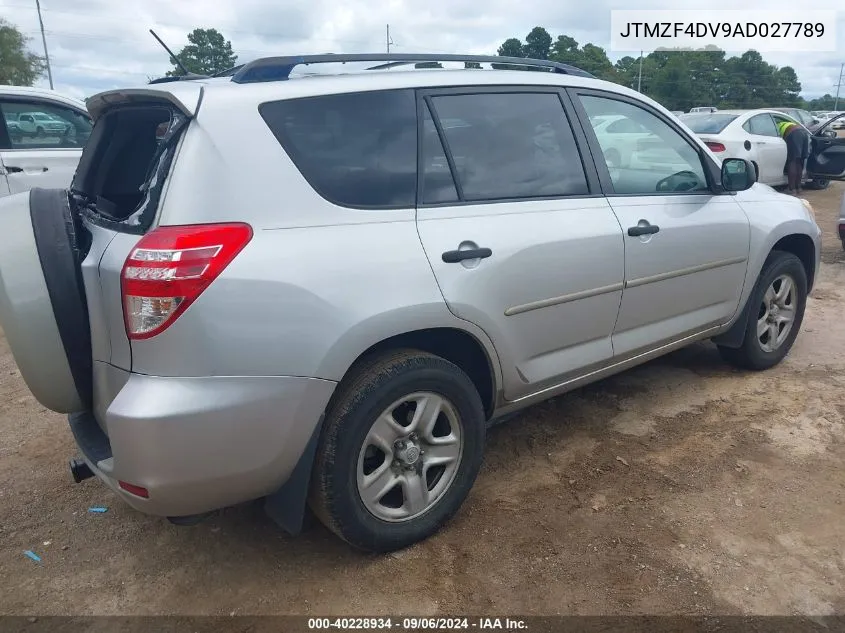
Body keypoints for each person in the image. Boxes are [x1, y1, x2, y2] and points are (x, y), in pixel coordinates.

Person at [776, 118, 811, 195]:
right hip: (803, 132)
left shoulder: (775, 126)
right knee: (799, 161)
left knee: (792, 161)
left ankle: (791, 189)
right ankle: (798, 188)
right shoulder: (786, 122)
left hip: (794, 133)